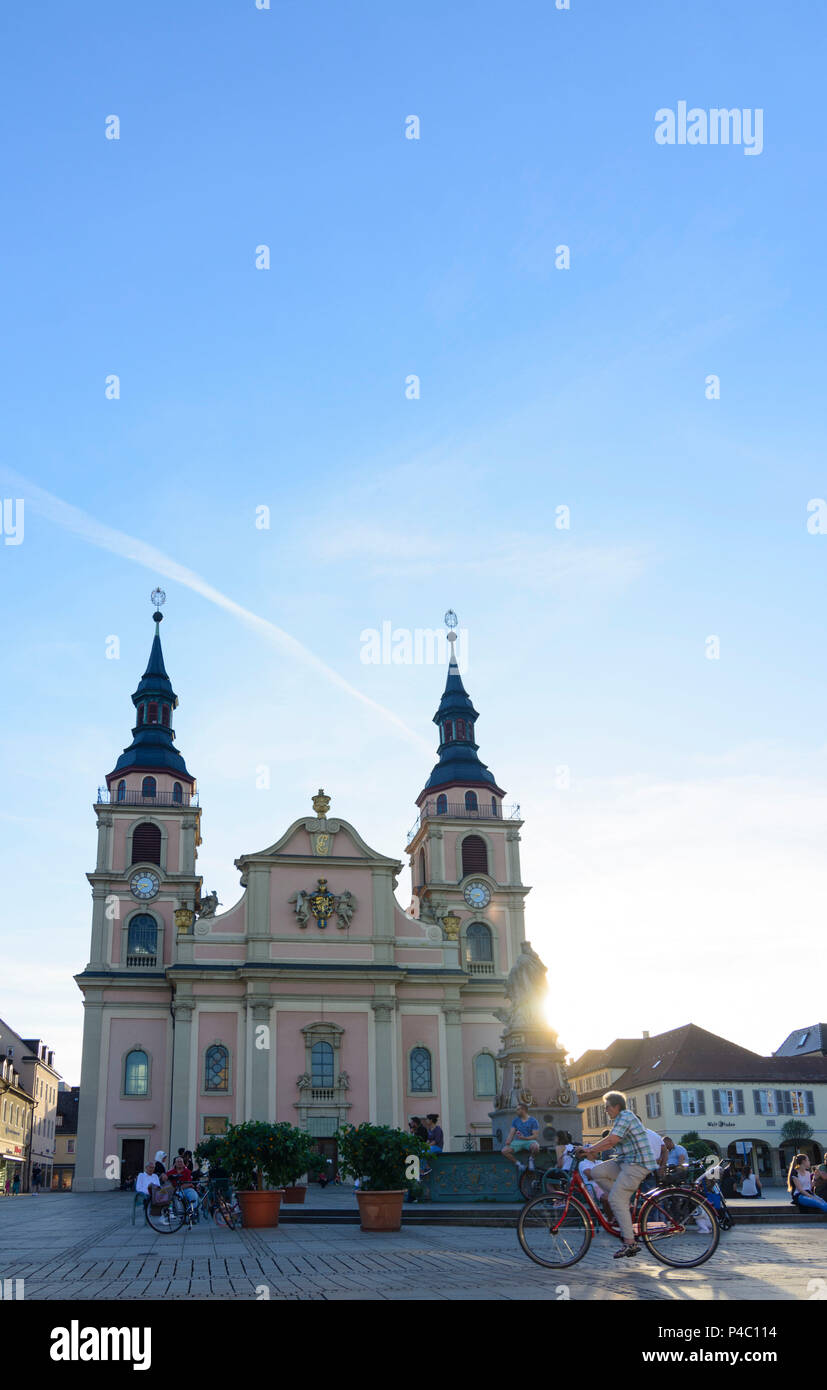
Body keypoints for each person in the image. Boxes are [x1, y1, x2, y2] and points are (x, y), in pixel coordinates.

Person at [579, 1091, 659, 1259]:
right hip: (625, 1161)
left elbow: (611, 1141)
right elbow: (609, 1140)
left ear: (616, 1106)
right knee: (596, 1172)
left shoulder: (626, 1116)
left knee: (615, 1199)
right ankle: (623, 1202)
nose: (605, 1110)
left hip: (637, 1164)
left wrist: (589, 1149)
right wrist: (590, 1149)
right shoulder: (619, 1119)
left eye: (607, 1107)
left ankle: (630, 1243)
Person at [501, 1104, 540, 1173]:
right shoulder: (515, 1121)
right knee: (504, 1151)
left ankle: (531, 1159)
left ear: (523, 1110)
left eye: (518, 1109)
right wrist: (508, 1141)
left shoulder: (533, 1121)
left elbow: (535, 1136)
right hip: (518, 1142)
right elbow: (511, 1133)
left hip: (529, 1141)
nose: (516, 1111)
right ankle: (519, 1164)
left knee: (536, 1147)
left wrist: (525, 1138)